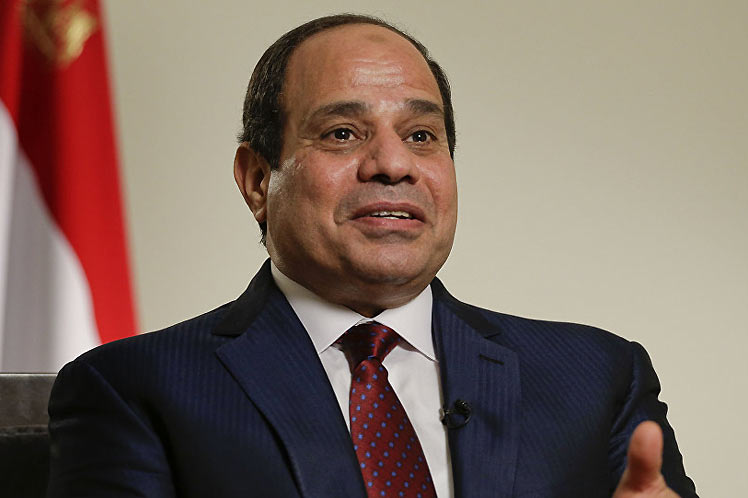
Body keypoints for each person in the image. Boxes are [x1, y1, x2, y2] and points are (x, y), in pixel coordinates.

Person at [46, 14, 698, 498]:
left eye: (422, 135)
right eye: (342, 133)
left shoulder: (596, 377)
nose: (393, 163)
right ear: (257, 180)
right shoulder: (135, 389)